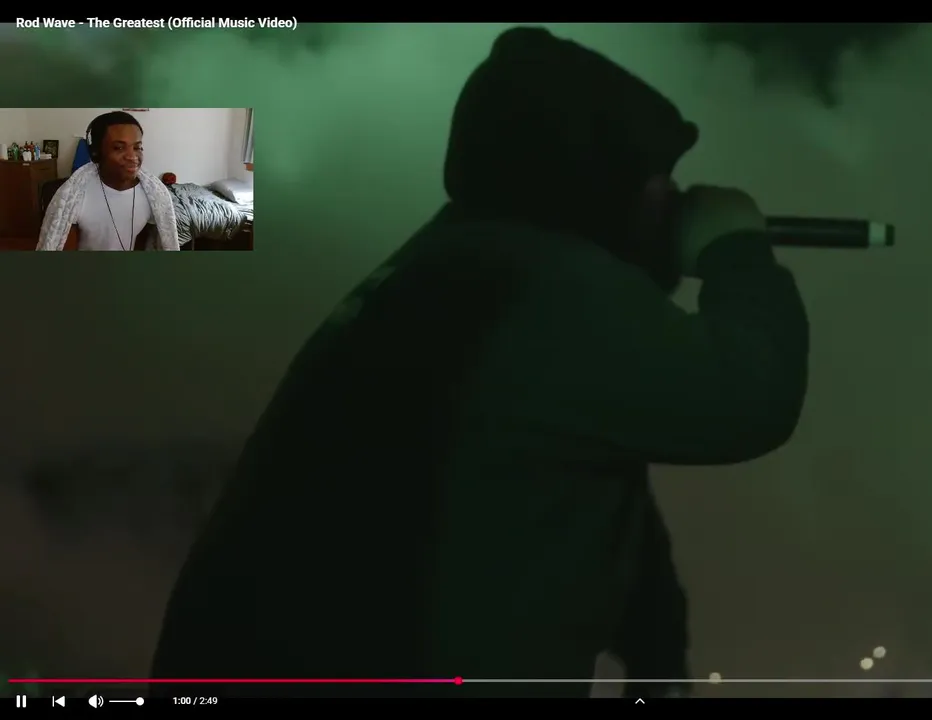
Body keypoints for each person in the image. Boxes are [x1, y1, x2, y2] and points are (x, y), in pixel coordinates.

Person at [150, 27, 809, 699]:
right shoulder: (548, 288)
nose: (673, 201)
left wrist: (655, 641)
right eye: (659, 180)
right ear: (601, 176)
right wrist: (734, 249)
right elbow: (750, 397)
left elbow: (582, 469)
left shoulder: (451, 266)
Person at [36, 111, 180, 251]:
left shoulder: (154, 196)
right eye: (119, 148)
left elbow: (146, 243)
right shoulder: (74, 196)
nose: (132, 156)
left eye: (137, 147)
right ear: (96, 153)